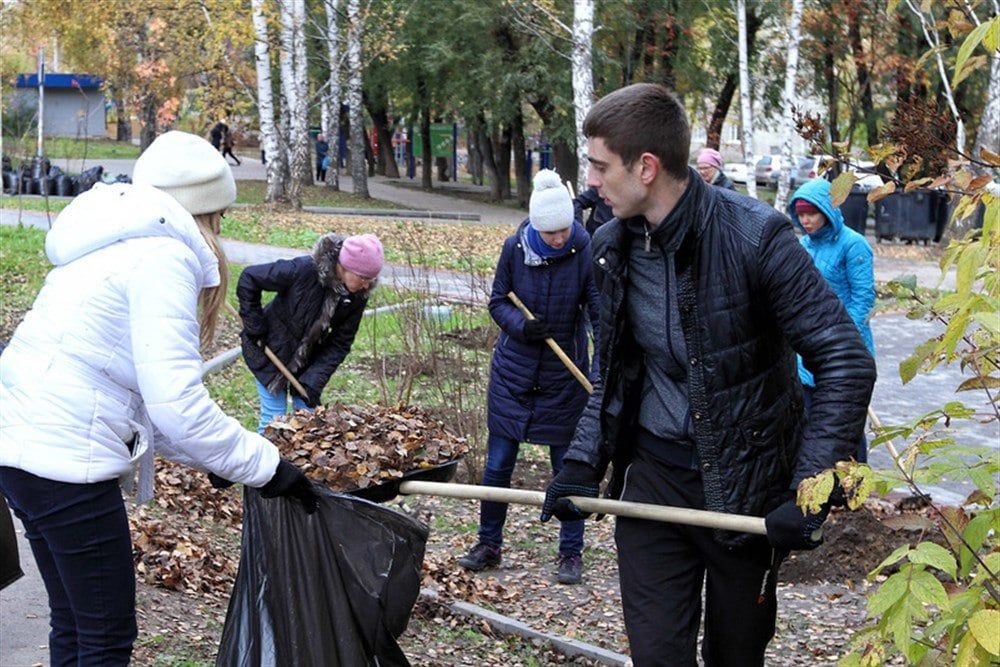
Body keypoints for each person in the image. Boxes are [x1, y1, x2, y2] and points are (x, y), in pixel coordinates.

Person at [539, 84, 876, 665]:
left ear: (646, 167)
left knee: (736, 655)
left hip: (744, 491)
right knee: (657, 657)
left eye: (598, 165)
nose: (589, 181)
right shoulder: (610, 246)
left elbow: (844, 358)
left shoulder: (756, 238)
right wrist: (580, 463)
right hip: (654, 486)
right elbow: (616, 370)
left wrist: (811, 487)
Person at [0, 131, 319, 666]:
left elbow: (145, 400)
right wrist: (269, 468)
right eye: (220, 217)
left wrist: (216, 460)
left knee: (76, 626)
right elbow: (176, 402)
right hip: (63, 462)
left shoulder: (110, 244)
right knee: (105, 636)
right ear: (206, 210)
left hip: (24, 446)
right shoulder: (163, 258)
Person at [458, 169, 599, 585]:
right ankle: (488, 544)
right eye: (551, 232)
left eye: (564, 230)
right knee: (498, 465)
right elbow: (498, 301)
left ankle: (571, 552)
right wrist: (521, 327)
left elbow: (595, 306)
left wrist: (601, 353)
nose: (559, 238)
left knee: (567, 466)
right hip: (513, 375)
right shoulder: (514, 248)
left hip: (563, 375)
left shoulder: (583, 247)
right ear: (537, 226)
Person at [238, 233, 383, 433]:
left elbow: (341, 342)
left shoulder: (357, 294)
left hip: (307, 361)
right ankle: (262, 462)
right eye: (364, 278)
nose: (367, 285)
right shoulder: (303, 270)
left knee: (309, 418)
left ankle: (292, 461)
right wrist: (255, 326)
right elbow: (250, 278)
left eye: (371, 279)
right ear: (345, 266)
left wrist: (312, 382)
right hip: (268, 348)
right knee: (274, 420)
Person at [788, 179, 876, 463]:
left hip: (846, 350)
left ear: (827, 210)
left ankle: (854, 489)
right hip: (808, 351)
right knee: (814, 421)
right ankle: (820, 485)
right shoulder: (802, 246)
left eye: (811, 213)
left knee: (846, 423)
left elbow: (863, 300)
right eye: (800, 214)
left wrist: (840, 341)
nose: (805, 220)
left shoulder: (853, 245)